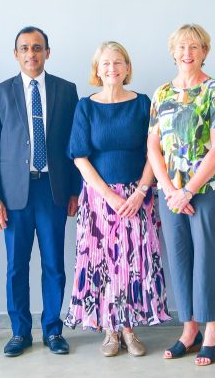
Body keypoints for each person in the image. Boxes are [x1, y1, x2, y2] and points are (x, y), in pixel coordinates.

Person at [64, 42, 170, 356]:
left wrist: (140, 191)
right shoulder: (86, 106)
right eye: (106, 63)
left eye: (118, 62)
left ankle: (129, 329)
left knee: (133, 263)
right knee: (105, 264)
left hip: (139, 197)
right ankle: (110, 330)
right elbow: (80, 157)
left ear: (127, 68)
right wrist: (109, 195)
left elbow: (154, 152)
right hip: (99, 200)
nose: (112, 68)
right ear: (97, 69)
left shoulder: (143, 103)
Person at [0, 26, 79, 357]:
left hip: (53, 191)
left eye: (37, 48)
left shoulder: (66, 91)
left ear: (47, 53)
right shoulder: (0, 93)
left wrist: (75, 191)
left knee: (54, 264)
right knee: (16, 266)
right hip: (14, 195)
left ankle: (53, 330)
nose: (31, 54)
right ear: (16, 54)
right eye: (24, 48)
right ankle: (20, 332)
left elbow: (74, 146)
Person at [148, 24, 215, 366]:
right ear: (173, 52)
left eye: (195, 47)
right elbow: (153, 147)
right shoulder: (161, 93)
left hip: (208, 189)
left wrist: (188, 190)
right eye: (182, 47)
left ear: (204, 52)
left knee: (206, 257)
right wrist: (171, 190)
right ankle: (189, 330)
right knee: (180, 257)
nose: (188, 53)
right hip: (170, 193)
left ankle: (211, 332)